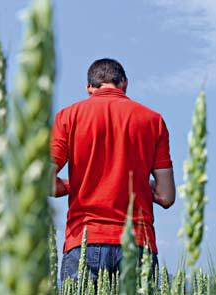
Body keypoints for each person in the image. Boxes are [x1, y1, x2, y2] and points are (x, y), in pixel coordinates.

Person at [51, 58, 176, 282]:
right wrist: (135, 179)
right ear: (124, 84)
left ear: (89, 87)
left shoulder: (68, 117)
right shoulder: (153, 120)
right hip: (138, 243)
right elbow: (166, 196)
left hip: (83, 242)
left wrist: (75, 184)